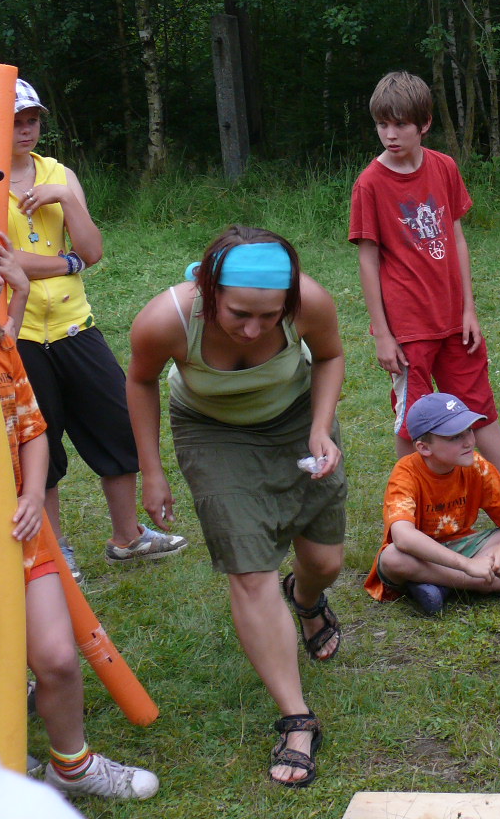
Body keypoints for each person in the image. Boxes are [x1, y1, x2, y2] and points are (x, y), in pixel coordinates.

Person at [0, 217, 157, 800]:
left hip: (18, 527)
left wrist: (30, 494)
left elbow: (33, 429)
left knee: (58, 658)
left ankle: (72, 766)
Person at [125, 227, 346, 787]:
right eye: (239, 314)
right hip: (213, 432)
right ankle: (297, 718)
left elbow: (330, 356)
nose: (253, 329)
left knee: (324, 562)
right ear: (209, 290)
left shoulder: (310, 302)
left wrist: (321, 428)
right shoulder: (165, 320)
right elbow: (141, 381)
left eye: (269, 317)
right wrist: (152, 471)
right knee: (250, 573)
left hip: (296, 420)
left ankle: (307, 598)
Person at [352, 71, 500, 517]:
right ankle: (413, 505)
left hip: (454, 320)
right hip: (408, 328)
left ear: (424, 124)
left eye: (401, 125)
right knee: (413, 419)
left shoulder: (444, 167)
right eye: (382, 125)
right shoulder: (370, 183)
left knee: (478, 405)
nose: (390, 134)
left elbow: (456, 237)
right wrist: (383, 335)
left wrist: (469, 309)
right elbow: (368, 261)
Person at [7, 78, 184, 579]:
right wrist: (67, 263)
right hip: (19, 331)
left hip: (74, 324)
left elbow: (93, 249)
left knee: (115, 422)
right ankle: (55, 549)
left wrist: (65, 198)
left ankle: (128, 537)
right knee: (38, 440)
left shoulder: (58, 173)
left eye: (32, 120)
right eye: (15, 122)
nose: (26, 130)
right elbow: (1, 260)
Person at [364, 391, 500, 614]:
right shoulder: (406, 473)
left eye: (469, 430)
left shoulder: (474, 464)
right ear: (424, 448)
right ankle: (493, 583)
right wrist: (468, 566)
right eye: (454, 437)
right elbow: (404, 537)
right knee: (392, 558)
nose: (468, 441)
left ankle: (443, 585)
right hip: (421, 556)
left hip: (463, 546)